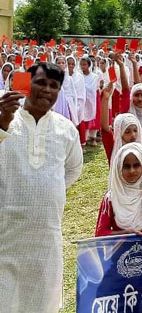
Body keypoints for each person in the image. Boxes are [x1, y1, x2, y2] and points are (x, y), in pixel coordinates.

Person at [0, 62, 83, 312]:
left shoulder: (66, 129)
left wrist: (47, 188)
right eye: (40, 83)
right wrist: (2, 122)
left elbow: (73, 169)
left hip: (45, 238)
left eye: (54, 86)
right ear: (25, 84)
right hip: (5, 236)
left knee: (42, 300)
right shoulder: (5, 119)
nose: (47, 90)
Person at [95, 142, 142, 236]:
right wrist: (125, 233)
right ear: (119, 168)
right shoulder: (111, 198)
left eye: (136, 165)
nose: (132, 171)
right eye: (126, 166)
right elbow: (100, 233)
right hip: (119, 249)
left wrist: (135, 235)